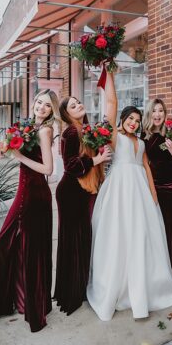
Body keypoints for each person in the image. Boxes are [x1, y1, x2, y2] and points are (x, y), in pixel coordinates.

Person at [87, 70, 172, 321]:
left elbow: (146, 168)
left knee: (142, 233)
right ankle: (116, 285)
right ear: (122, 119)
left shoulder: (140, 142)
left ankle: (148, 283)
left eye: (137, 120)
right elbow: (111, 102)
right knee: (119, 232)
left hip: (140, 190)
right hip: (119, 189)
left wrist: (153, 195)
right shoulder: (114, 136)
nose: (133, 122)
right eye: (130, 118)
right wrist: (108, 73)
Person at [0, 89, 57, 332]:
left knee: (26, 249)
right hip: (25, 191)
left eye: (47, 105)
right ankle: (14, 301)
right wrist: (6, 151)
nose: (41, 107)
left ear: (51, 110)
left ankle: (31, 307)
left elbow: (48, 169)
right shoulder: (28, 127)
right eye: (39, 101)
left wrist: (19, 156)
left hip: (35, 195)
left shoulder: (45, 131)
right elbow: (17, 155)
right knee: (11, 245)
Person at [53, 94, 112, 314]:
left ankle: (75, 289)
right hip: (71, 192)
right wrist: (97, 159)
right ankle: (72, 293)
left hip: (80, 191)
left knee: (79, 240)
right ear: (66, 113)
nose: (78, 105)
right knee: (75, 241)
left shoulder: (84, 129)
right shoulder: (71, 131)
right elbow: (70, 165)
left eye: (78, 102)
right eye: (73, 105)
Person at [142, 98, 172, 278]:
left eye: (161, 110)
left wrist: (171, 147)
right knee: (163, 226)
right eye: (154, 110)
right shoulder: (144, 135)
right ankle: (166, 265)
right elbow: (145, 162)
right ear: (149, 113)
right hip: (158, 185)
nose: (157, 114)